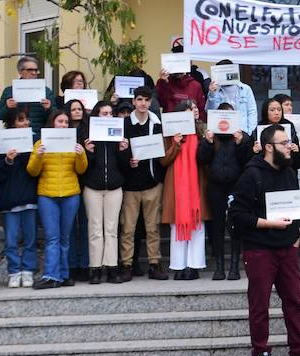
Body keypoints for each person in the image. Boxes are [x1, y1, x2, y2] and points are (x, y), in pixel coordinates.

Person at [228, 125, 300, 356]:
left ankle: (299, 350)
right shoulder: (251, 175)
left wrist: (296, 235)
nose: (290, 146)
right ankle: (261, 353)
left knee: (294, 301)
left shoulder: (287, 171)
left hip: (286, 247)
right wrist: (268, 224)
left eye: (289, 141)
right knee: (260, 304)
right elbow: (237, 215)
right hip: (259, 248)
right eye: (284, 143)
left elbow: (294, 207)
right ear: (268, 147)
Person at [27, 110, 88, 289]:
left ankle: (63, 275)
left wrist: (81, 155)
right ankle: (51, 275)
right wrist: (38, 156)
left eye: (66, 122)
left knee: (65, 238)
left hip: (70, 194)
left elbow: (81, 170)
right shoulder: (40, 143)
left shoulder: (73, 143)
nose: (63, 125)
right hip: (48, 195)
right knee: (52, 238)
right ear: (52, 122)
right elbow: (32, 171)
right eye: (60, 121)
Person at [202, 100, 252, 280]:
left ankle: (234, 268)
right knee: (217, 226)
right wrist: (207, 143)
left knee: (235, 225)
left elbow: (247, 161)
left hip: (235, 186)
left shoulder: (242, 136)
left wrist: (240, 144)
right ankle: (219, 267)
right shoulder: (211, 136)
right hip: (215, 186)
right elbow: (201, 159)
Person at [119, 87, 165, 281]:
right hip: (130, 185)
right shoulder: (124, 124)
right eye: (139, 99)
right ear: (133, 101)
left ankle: (155, 264)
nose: (143, 103)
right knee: (128, 228)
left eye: (147, 100)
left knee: (153, 228)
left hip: (152, 183)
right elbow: (119, 152)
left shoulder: (156, 123)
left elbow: (161, 151)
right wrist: (127, 158)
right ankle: (126, 265)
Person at [162, 100, 211, 280]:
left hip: (197, 184)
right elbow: (164, 161)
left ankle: (194, 266)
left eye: (196, 107)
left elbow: (207, 159)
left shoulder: (203, 131)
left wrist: (208, 142)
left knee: (197, 224)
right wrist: (176, 144)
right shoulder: (171, 133)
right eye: (191, 108)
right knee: (177, 226)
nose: (195, 110)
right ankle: (179, 266)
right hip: (177, 186)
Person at [0, 108, 39, 287]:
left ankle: (27, 270)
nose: (25, 123)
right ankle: (13, 271)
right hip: (9, 199)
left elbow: (37, 171)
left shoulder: (35, 142)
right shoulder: (2, 144)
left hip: (29, 198)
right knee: (11, 240)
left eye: (27, 119)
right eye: (20, 120)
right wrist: (8, 161)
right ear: (12, 123)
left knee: (30, 239)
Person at [80, 101, 127, 285]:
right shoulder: (88, 136)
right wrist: (88, 152)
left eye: (110, 113)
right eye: (103, 113)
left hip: (114, 187)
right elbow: (82, 168)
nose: (107, 116)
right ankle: (95, 268)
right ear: (96, 116)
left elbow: (124, 167)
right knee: (95, 229)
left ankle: (112, 267)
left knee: (112, 229)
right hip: (92, 188)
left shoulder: (118, 136)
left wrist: (123, 151)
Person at [63, 98, 91, 280]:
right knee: (70, 226)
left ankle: (85, 264)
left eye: (80, 109)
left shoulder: (90, 131)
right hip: (68, 182)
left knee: (86, 225)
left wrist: (87, 151)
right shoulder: (60, 132)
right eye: (73, 109)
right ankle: (72, 264)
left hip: (87, 182)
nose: (77, 112)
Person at [0, 55, 53, 137]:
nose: (34, 73)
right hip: (16, 136)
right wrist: (7, 107)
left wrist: (49, 108)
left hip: (38, 136)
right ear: (20, 72)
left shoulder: (46, 91)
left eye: (36, 70)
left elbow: (55, 117)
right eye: (30, 70)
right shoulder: (9, 91)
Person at [204, 60, 258, 139]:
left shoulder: (245, 89)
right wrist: (212, 93)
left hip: (243, 133)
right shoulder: (215, 91)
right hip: (222, 134)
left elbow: (252, 112)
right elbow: (210, 112)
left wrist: (250, 133)